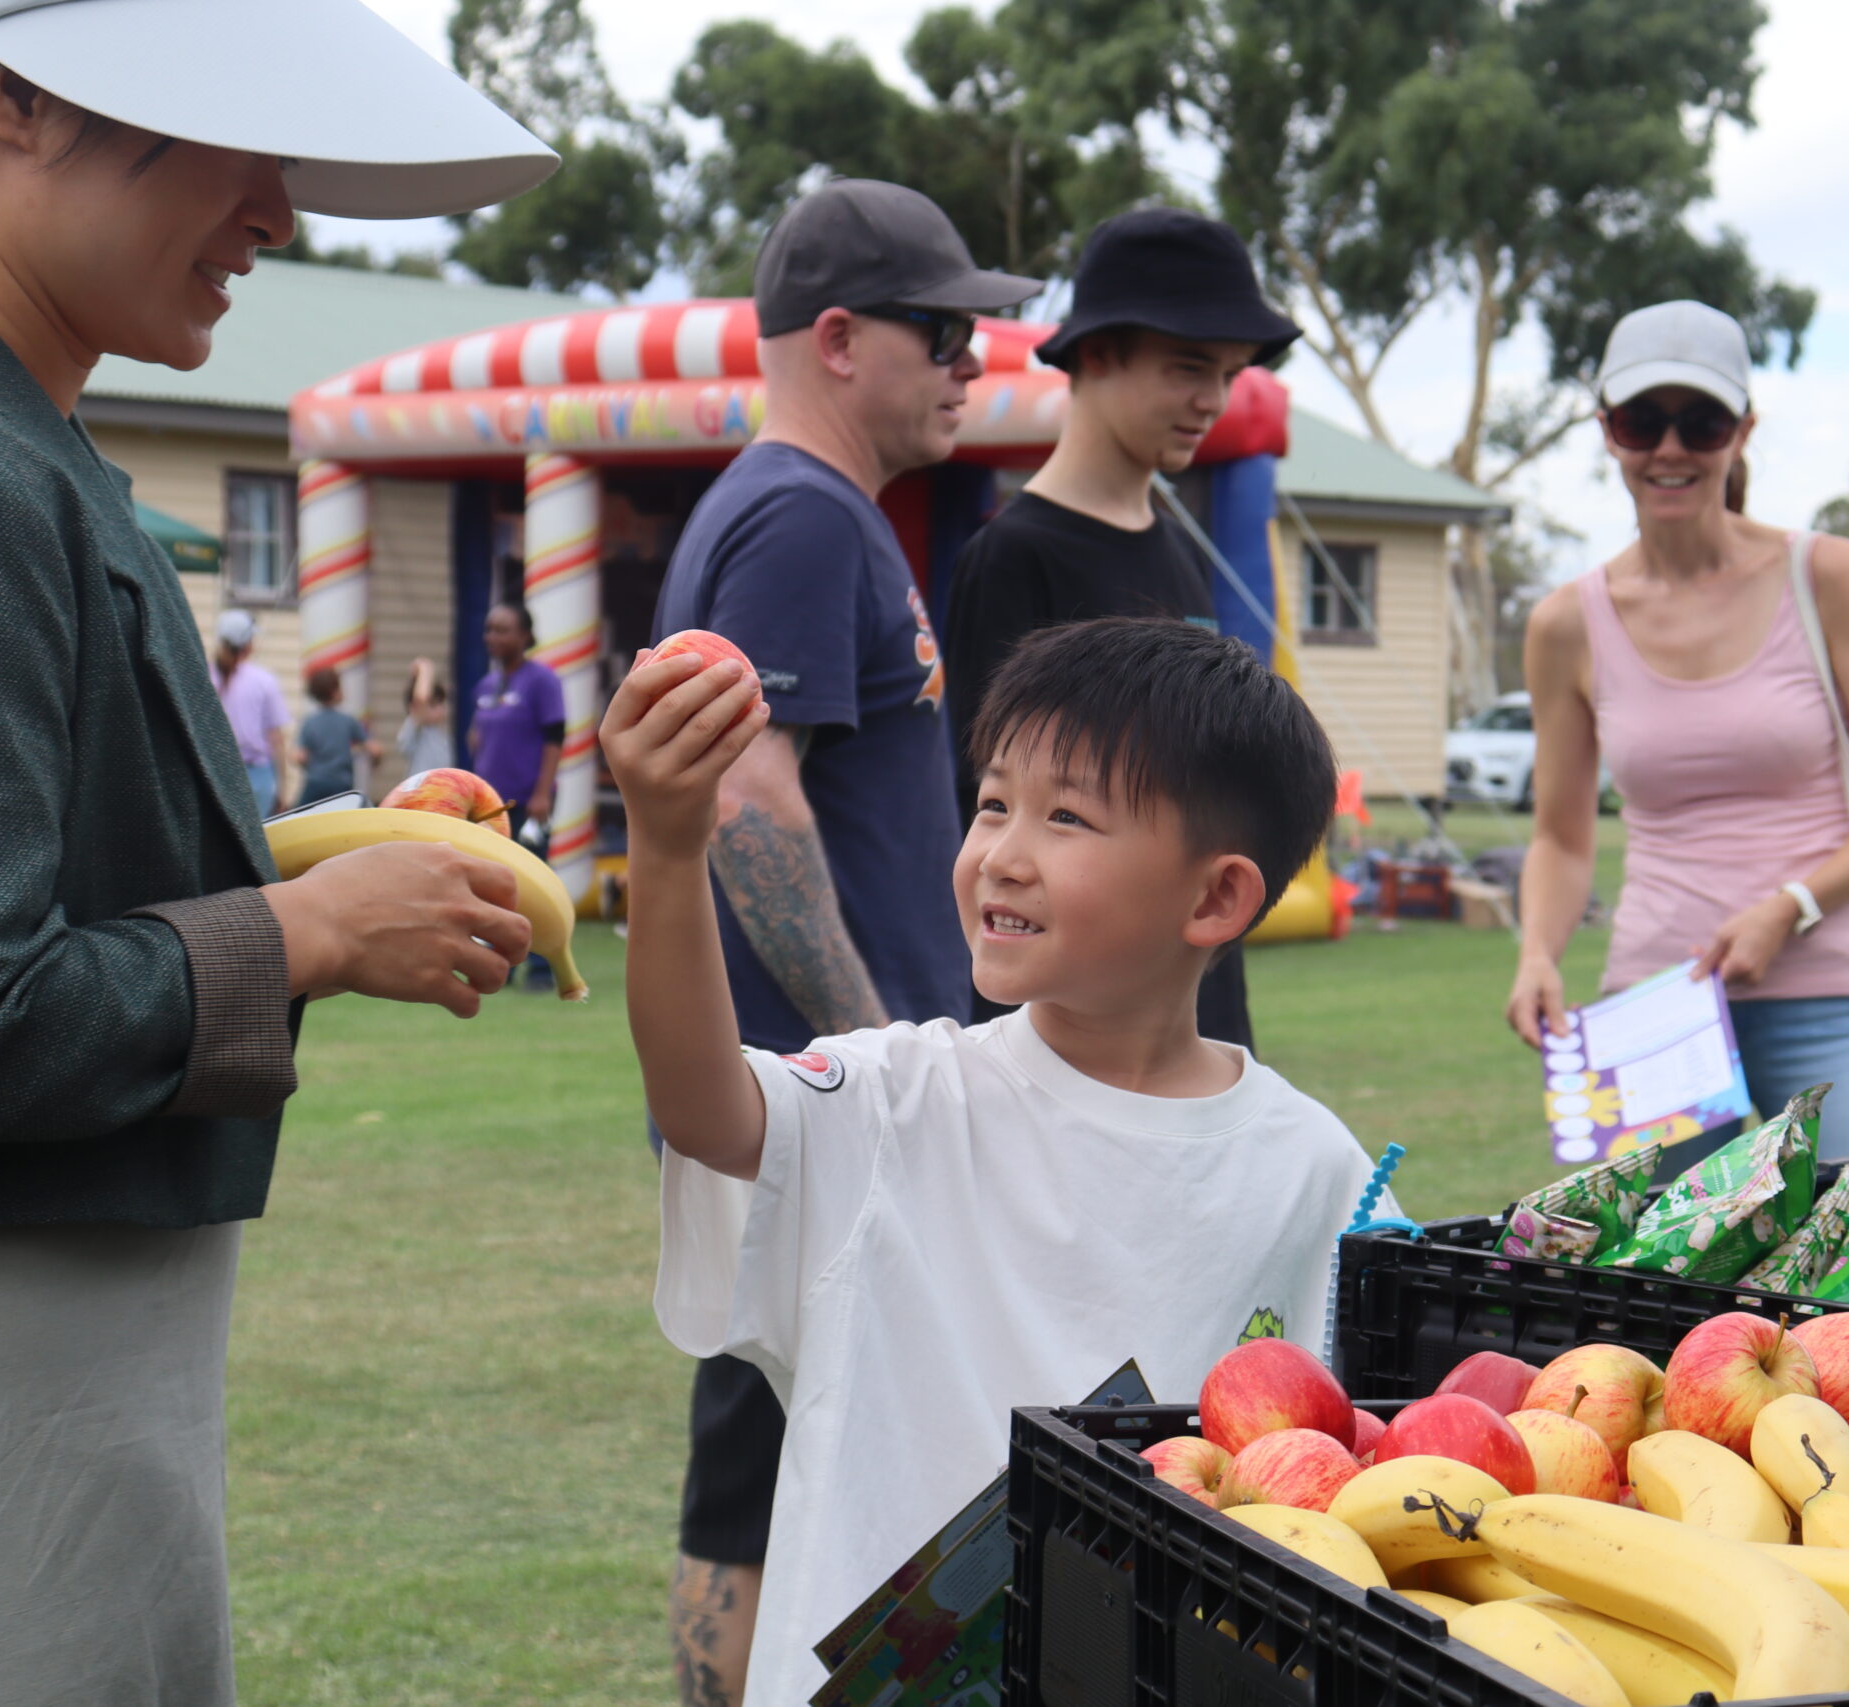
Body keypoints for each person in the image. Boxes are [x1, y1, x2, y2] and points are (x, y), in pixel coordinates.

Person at [0, 0, 555, 1701]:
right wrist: (310, 934)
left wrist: (328, 868)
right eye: (237, 133)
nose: (277, 211)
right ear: (20, 97)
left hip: (22, 1351)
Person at [604, 616, 1379, 1703]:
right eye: (993, 803)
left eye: (1067, 817)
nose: (1002, 855)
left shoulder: (1312, 1171)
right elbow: (703, 1109)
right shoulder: (898, 1097)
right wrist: (667, 844)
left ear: (1214, 898)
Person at [643, 175, 1040, 1706]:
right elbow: (749, 794)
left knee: (786, 1454)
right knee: (769, 1464)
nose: (971, 361)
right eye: (943, 330)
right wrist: (875, 1055)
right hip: (817, 1097)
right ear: (837, 337)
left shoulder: (801, 508)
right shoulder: (805, 515)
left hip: (800, 1091)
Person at [1505, 300, 1849, 1161]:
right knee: (1655, 1249)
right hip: (1655, 1006)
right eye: (1643, 422)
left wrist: (1790, 908)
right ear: (1607, 432)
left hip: (1827, 992)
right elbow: (1560, 838)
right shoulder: (1565, 623)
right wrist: (1537, 955)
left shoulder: (1825, 575)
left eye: (1701, 423)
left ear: (1742, 431)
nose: (1670, 449)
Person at [943, 206, 1300, 1053]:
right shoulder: (1013, 557)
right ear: (1097, 353)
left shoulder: (1176, 549)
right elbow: (989, 815)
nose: (1213, 399)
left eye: (1229, 373)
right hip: (1072, 1032)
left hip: (1195, 1005)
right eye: (1189, 367)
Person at [469, 600, 565, 839]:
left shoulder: (542, 680)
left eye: (502, 631)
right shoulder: (485, 684)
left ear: (524, 636)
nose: (492, 637)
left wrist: (542, 795)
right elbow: (476, 735)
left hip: (525, 802)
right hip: (488, 803)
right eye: (489, 630)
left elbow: (555, 738)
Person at [211, 604, 290, 816]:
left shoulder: (204, 676)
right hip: (258, 774)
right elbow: (276, 737)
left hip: (216, 771)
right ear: (247, 645)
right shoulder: (264, 680)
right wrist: (283, 788)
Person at [295, 665, 382, 805]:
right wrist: (375, 764)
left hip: (315, 783)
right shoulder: (348, 720)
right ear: (334, 692)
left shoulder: (310, 722)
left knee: (302, 813)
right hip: (341, 785)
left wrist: (311, 766)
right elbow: (375, 750)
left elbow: (300, 756)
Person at [397, 655, 456, 776]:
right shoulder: (416, 727)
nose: (440, 708)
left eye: (441, 702)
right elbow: (421, 699)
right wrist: (425, 668)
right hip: (421, 788)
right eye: (433, 704)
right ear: (413, 707)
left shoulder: (441, 736)